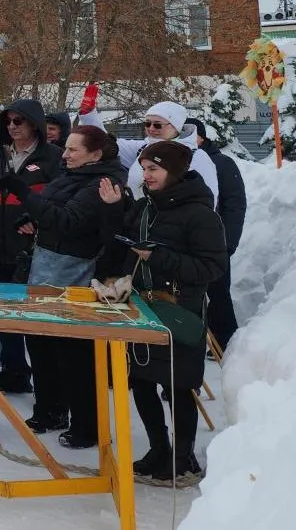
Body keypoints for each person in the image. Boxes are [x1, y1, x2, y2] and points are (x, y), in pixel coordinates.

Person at [94, 140, 227, 480]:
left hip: (179, 311)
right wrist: (111, 209)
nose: (146, 175)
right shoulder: (144, 208)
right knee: (139, 380)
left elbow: (212, 269)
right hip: (141, 308)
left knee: (179, 387)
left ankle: (182, 458)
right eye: (144, 168)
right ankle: (158, 449)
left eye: (154, 168)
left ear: (174, 171)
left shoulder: (201, 215)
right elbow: (118, 241)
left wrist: (160, 257)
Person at [2, 125, 127, 448]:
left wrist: (25, 193)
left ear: (95, 154)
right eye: (67, 147)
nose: (66, 153)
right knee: (41, 344)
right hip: (45, 266)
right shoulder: (68, 175)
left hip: (76, 273)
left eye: (73, 149)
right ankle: (50, 409)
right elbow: (49, 211)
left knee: (74, 354)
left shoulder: (104, 183)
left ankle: (88, 425)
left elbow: (70, 222)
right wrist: (27, 217)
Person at [0, 99, 63, 394]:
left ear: (34, 123)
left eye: (18, 121)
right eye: (8, 121)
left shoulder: (53, 158)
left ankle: (48, 381)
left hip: (34, 250)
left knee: (36, 318)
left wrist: (38, 223)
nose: (12, 127)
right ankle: (14, 371)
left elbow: (61, 201)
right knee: (3, 312)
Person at [77, 100, 219, 206]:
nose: (151, 128)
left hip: (172, 230)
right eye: (147, 123)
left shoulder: (195, 156)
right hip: (139, 222)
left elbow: (207, 200)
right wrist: (89, 115)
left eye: (157, 124)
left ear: (176, 127)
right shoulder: (144, 148)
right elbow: (108, 144)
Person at [183, 117, 246, 350]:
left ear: (200, 136)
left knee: (218, 295)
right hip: (187, 243)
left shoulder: (222, 163)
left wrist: (228, 242)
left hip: (216, 242)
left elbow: (235, 205)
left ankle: (227, 344)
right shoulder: (178, 160)